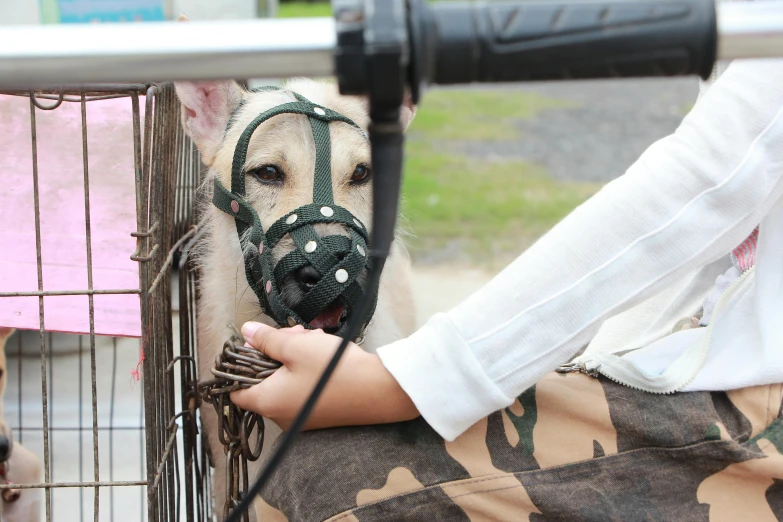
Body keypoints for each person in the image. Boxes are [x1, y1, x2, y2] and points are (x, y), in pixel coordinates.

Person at [233, 57, 783, 520]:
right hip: (715, 350)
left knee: (320, 480)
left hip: (760, 397)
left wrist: (410, 381)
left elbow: (715, 175)